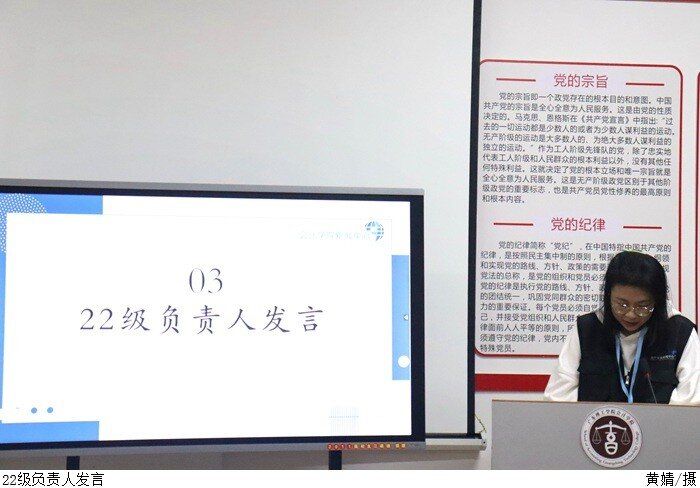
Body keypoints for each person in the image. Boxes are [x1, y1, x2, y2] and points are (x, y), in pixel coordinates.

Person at [544, 250, 700, 404]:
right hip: (598, 421)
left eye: (643, 306)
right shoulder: (586, 329)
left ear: (657, 301)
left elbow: (690, 401)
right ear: (608, 296)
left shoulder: (680, 333)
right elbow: (558, 396)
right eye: (622, 305)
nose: (631, 315)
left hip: (658, 421)